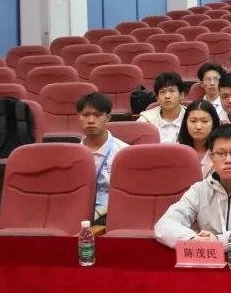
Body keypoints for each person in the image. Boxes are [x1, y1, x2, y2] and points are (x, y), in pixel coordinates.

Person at [78, 92, 128, 225]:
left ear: (108, 118)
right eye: (85, 115)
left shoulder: (124, 152)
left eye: (97, 115)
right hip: (77, 212)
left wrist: (99, 213)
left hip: (113, 214)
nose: (91, 120)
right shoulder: (72, 155)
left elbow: (129, 195)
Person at [137, 71, 186, 144]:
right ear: (157, 98)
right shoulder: (145, 120)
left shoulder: (192, 117)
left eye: (172, 91)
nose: (167, 96)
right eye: (162, 92)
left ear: (181, 95)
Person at [177, 99, 221, 176]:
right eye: (193, 121)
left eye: (204, 121)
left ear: (213, 123)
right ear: (185, 123)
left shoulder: (222, 151)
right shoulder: (176, 150)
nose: (198, 127)